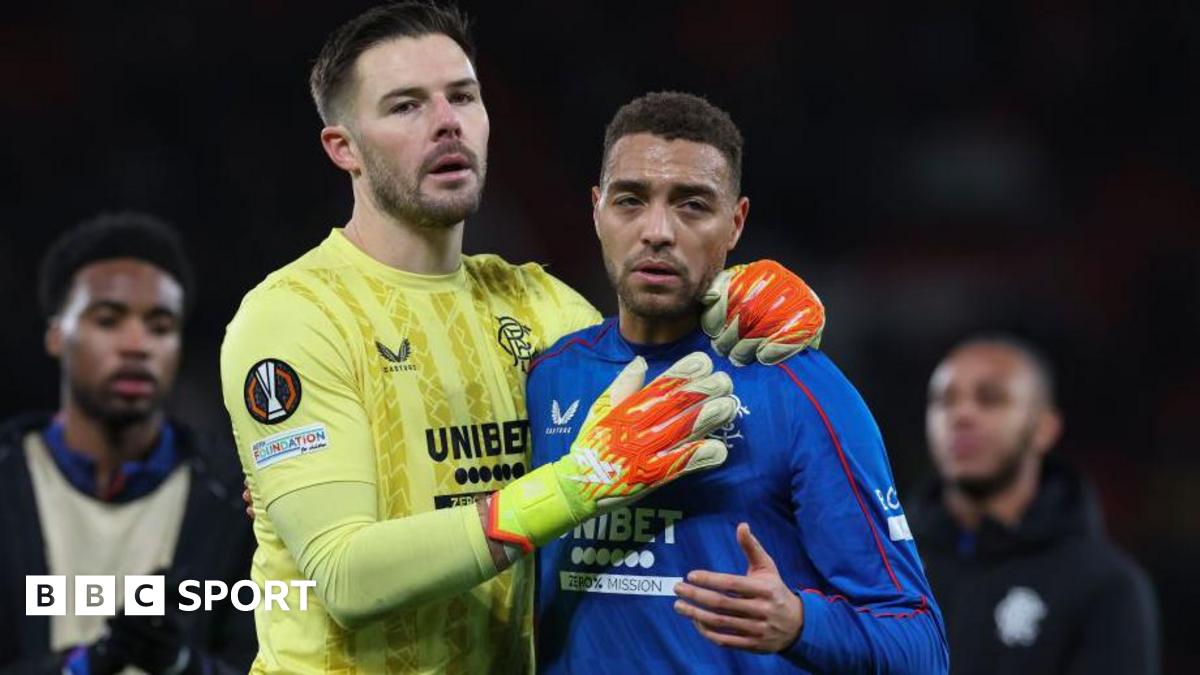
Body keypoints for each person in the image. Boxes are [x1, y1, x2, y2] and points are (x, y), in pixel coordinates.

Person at [219, 3, 823, 673]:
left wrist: (750, 312)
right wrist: (575, 485)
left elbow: (677, 406)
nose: (447, 122)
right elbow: (345, 576)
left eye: (463, 96)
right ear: (344, 148)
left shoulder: (542, 306)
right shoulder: (294, 315)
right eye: (405, 106)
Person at [528, 91, 948, 673]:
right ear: (597, 210)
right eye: (630, 200)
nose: (657, 231)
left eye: (692, 205)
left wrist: (800, 622)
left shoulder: (799, 391)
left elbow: (922, 646)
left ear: (736, 222)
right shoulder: (548, 377)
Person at [0, 213, 255, 674]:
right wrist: (84, 665)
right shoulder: (9, 480)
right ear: (57, 334)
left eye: (160, 326)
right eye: (108, 320)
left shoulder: (237, 498)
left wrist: (180, 663)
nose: (137, 344)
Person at [910, 335, 1160, 674]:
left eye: (990, 399)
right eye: (944, 400)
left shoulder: (1105, 586)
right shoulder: (887, 562)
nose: (961, 415)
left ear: (1044, 428)